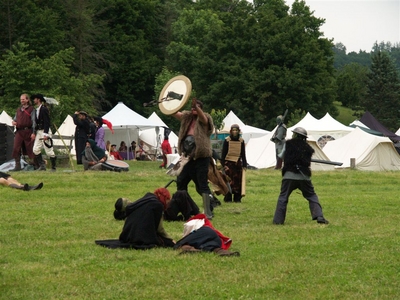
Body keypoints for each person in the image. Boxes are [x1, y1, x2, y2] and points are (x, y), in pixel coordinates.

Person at [272, 127, 329, 225]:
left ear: (296, 135)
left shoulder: (288, 144)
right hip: (303, 176)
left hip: (289, 175)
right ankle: (319, 215)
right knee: (311, 195)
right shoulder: (308, 149)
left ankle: (278, 221)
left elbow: (281, 156)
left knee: (283, 197)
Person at [172, 98, 215, 219]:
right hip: (187, 157)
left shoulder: (205, 118)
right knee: (181, 182)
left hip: (201, 157)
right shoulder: (187, 117)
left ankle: (208, 212)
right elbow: (175, 112)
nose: (193, 109)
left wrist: (197, 108)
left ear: (201, 108)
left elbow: (204, 119)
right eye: (192, 107)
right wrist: (168, 104)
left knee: (201, 185)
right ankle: (186, 209)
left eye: (196, 107)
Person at [97, 188, 175, 249]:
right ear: (165, 198)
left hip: (128, 234)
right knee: (164, 242)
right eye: (168, 199)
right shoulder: (157, 206)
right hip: (140, 237)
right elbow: (160, 229)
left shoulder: (145, 200)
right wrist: (170, 240)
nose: (168, 202)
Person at [174, 214, 240, 256]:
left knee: (179, 244)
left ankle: (190, 249)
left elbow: (187, 234)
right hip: (215, 238)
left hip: (205, 231)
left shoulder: (192, 222)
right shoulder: (204, 222)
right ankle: (220, 251)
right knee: (210, 246)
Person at [221, 124, 247, 203]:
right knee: (228, 181)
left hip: (237, 164)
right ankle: (228, 198)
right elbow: (223, 153)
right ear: (231, 131)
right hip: (228, 164)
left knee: (237, 182)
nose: (235, 132)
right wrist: (222, 164)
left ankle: (237, 198)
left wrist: (244, 163)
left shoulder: (241, 141)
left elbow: (243, 153)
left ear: (238, 131)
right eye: (233, 130)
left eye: (236, 130)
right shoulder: (227, 140)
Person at [10, 93, 36, 171]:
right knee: (16, 148)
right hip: (19, 132)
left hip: (28, 131)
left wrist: (33, 132)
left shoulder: (31, 109)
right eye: (21, 99)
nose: (22, 101)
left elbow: (34, 121)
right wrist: (14, 122)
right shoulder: (18, 110)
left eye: (23, 99)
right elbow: (15, 119)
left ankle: (35, 165)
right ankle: (17, 166)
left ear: (27, 100)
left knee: (30, 149)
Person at [32, 94, 57, 171]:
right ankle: (42, 166)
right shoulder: (36, 110)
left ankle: (53, 167)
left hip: (45, 131)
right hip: (39, 131)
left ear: (38, 100)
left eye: (35, 99)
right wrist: (34, 132)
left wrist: (46, 134)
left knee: (49, 151)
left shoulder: (44, 109)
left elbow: (47, 122)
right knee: (35, 149)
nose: (34, 100)